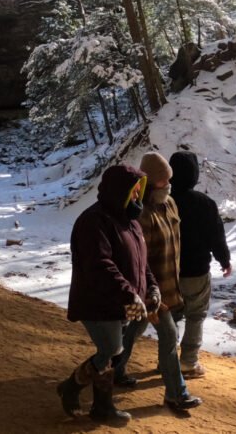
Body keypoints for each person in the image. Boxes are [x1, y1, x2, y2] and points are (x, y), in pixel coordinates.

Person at [57, 164, 154, 423]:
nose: (137, 198)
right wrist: (129, 295)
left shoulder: (130, 222)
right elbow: (100, 264)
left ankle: (101, 407)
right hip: (97, 301)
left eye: (139, 193)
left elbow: (142, 262)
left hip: (120, 302)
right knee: (111, 349)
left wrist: (151, 287)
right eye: (132, 192)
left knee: (113, 353)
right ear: (118, 192)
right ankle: (72, 386)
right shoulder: (93, 221)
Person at [114, 153, 202, 413]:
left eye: (170, 180)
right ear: (152, 184)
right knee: (169, 336)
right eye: (164, 181)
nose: (169, 185)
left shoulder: (171, 204)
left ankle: (115, 370)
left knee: (134, 329)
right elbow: (138, 260)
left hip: (171, 287)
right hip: (151, 291)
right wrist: (146, 294)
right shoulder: (141, 215)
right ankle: (176, 393)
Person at [169, 150, 232, 378]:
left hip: (168, 272)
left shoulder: (164, 201)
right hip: (196, 270)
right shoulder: (205, 203)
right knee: (195, 316)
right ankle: (188, 362)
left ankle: (166, 361)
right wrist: (224, 260)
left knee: (171, 317)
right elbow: (216, 236)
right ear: (195, 175)